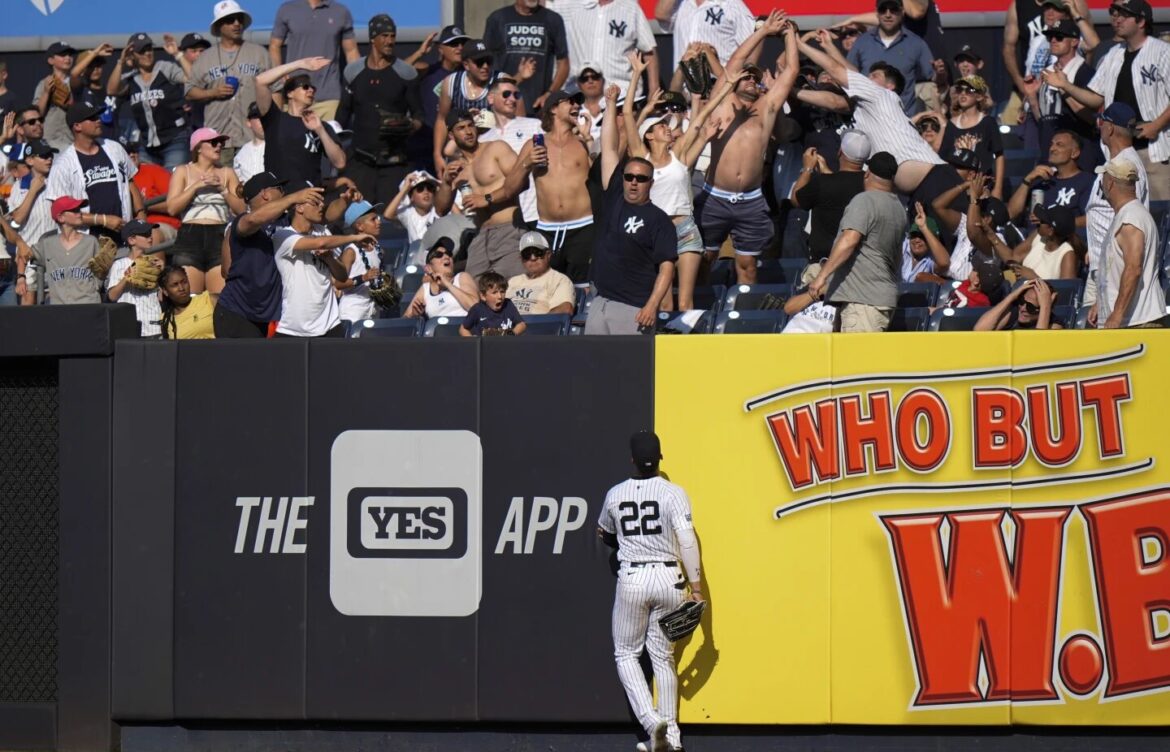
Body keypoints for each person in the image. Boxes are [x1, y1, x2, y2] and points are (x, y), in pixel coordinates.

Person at [597, 430, 705, 752]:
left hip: (634, 577)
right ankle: (671, 737)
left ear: (631, 460)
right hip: (671, 578)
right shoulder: (674, 493)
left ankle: (651, 721)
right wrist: (696, 587)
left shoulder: (616, 494)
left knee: (626, 653)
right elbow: (687, 541)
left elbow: (603, 531)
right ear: (660, 458)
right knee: (662, 655)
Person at [799, 29, 957, 211]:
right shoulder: (868, 107)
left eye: (874, 76)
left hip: (937, 182)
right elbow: (837, 96)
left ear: (890, 86)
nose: (867, 78)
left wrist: (800, 44)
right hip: (917, 194)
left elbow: (839, 72)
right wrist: (828, 46)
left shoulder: (882, 95)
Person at [695, 13, 799, 284]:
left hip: (751, 201)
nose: (752, 81)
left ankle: (741, 320)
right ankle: (701, 314)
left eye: (755, 79)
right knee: (704, 260)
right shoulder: (723, 102)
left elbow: (791, 71)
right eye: (746, 78)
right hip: (714, 197)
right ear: (734, 82)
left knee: (748, 265)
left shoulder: (766, 108)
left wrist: (788, 35)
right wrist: (763, 32)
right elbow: (735, 63)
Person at [1042, 0, 1170, 200]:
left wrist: (1156, 125)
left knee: (1161, 216)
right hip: (1118, 153)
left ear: (1141, 21)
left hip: (1153, 150)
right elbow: (1094, 98)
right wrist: (1065, 85)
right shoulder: (1113, 55)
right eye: (1114, 13)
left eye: (1123, 14)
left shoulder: (1163, 52)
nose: (1116, 18)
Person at [215, 172, 323, 337]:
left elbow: (327, 215)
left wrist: (345, 201)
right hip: (236, 311)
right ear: (265, 194)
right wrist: (294, 197)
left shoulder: (286, 221)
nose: (284, 193)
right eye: (279, 188)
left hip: (262, 316)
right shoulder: (242, 221)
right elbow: (253, 221)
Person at [807, 152, 904, 333]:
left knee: (859, 361)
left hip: (863, 301)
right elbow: (898, 257)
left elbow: (849, 240)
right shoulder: (898, 207)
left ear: (867, 174)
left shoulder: (864, 200)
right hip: (882, 297)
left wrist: (821, 276)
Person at [336, 14, 423, 205]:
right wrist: (335, 144)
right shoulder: (353, 72)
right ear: (372, 38)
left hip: (394, 164)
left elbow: (419, 114)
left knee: (391, 222)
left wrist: (409, 125)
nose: (390, 41)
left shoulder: (406, 73)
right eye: (384, 36)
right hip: (360, 162)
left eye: (392, 36)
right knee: (359, 217)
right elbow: (343, 113)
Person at [584, 157, 676, 334]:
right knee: (593, 360)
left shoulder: (659, 220)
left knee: (629, 362)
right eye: (629, 177)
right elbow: (610, 148)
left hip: (633, 309)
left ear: (651, 183)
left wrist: (651, 305)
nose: (634, 182)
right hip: (600, 302)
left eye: (641, 179)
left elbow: (667, 268)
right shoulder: (613, 201)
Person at [272, 183, 372, 337]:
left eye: (322, 201)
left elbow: (342, 276)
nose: (322, 206)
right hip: (294, 328)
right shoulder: (283, 236)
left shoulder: (322, 231)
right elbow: (320, 243)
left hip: (330, 324)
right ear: (299, 208)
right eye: (316, 202)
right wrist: (355, 237)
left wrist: (329, 258)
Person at [46, 103, 146, 245]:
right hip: (86, 242)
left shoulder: (114, 148)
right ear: (77, 126)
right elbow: (60, 212)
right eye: (91, 118)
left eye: (97, 116)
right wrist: (103, 220)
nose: (98, 120)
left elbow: (130, 183)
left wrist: (141, 214)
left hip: (123, 236)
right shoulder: (62, 165)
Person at [186, 0, 270, 166]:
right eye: (230, 20)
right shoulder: (205, 58)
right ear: (219, 26)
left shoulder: (259, 53)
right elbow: (189, 91)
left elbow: (275, 89)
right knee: (223, 187)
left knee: (256, 186)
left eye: (239, 19)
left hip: (253, 137)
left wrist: (272, 123)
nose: (237, 24)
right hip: (218, 140)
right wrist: (213, 92)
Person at [166, 128, 246, 294]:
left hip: (219, 235)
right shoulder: (183, 171)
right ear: (199, 147)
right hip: (190, 235)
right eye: (214, 142)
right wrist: (196, 186)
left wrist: (222, 189)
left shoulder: (227, 173)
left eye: (221, 143)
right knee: (191, 300)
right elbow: (172, 208)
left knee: (219, 299)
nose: (219, 146)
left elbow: (241, 209)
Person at [1084, 103, 1149, 305]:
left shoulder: (1126, 166)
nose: (1099, 126)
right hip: (1102, 263)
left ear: (1110, 128)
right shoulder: (1117, 161)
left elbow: (1129, 216)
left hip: (1114, 268)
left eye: (1102, 122)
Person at [1089, 156, 1166, 328]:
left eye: (1103, 180)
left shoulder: (1131, 218)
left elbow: (1133, 269)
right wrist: (1101, 304)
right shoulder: (1127, 215)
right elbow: (1116, 268)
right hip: (1131, 320)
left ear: (1109, 184)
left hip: (1138, 322)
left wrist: (1116, 315)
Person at [254, 56, 346, 186]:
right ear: (290, 93)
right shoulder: (275, 119)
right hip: (279, 196)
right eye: (305, 86)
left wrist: (320, 131)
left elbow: (340, 162)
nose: (311, 90)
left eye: (313, 88)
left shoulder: (320, 125)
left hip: (310, 199)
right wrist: (300, 64)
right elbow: (260, 80)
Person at [1020, 19, 1098, 172]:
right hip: (1048, 155)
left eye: (1059, 37)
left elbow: (1091, 119)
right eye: (1050, 37)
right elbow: (1044, 119)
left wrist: (1064, 89)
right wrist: (1032, 98)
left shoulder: (1084, 72)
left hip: (1078, 159)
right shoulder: (1046, 72)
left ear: (1075, 41)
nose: (1053, 41)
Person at [108, 33, 190, 168]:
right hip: (148, 145)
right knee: (147, 185)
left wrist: (178, 54)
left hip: (175, 139)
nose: (147, 53)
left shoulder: (164, 68)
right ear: (132, 55)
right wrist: (121, 62)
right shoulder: (130, 79)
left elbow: (192, 78)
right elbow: (111, 90)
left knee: (173, 182)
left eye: (149, 49)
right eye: (141, 51)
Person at [269, 0, 360, 121]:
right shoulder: (287, 9)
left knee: (330, 139)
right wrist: (281, 75)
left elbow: (351, 51)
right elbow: (274, 45)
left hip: (329, 100)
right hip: (296, 96)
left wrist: (358, 84)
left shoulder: (340, 12)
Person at [791, 131, 870, 264]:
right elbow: (844, 185)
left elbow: (796, 200)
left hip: (825, 265)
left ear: (840, 152)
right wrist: (827, 172)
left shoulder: (822, 183)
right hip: (859, 265)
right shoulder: (870, 185)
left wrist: (807, 168)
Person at [555, 0, 660, 99]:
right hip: (579, 96)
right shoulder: (569, 5)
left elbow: (649, 50)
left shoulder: (631, 8)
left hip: (622, 96)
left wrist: (654, 90)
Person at [846, 0, 935, 114]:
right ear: (876, 13)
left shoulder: (916, 43)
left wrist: (940, 73)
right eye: (883, 10)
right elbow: (848, 74)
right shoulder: (862, 42)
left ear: (902, 12)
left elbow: (933, 77)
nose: (888, 15)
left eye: (893, 10)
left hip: (903, 119)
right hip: (868, 117)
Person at [484, 0, 570, 111]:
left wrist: (549, 94)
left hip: (538, 106)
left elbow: (564, 63)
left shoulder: (553, 19)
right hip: (505, 104)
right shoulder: (497, 19)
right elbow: (486, 63)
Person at [433, 40, 501, 171]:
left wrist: (491, 120)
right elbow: (441, 119)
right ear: (466, 64)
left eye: (489, 61)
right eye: (479, 62)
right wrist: (437, 155)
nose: (485, 66)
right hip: (460, 156)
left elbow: (516, 121)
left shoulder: (501, 81)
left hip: (493, 154)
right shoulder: (451, 83)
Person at [24, 197, 103, 305]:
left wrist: (96, 287)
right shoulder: (47, 243)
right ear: (61, 218)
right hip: (60, 308)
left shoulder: (91, 241)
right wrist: (20, 278)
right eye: (74, 210)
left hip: (88, 304)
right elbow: (23, 254)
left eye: (79, 210)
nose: (79, 213)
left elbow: (102, 273)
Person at [1006, 130, 1094, 224]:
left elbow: (1091, 219)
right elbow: (1011, 213)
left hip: (1064, 237)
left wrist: (1051, 223)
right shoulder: (1041, 180)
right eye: (1051, 144)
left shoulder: (1087, 181)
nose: (1052, 148)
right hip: (1033, 236)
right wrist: (1027, 180)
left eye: (1059, 145)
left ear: (1074, 153)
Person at [937, 75, 1005, 196]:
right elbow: (943, 158)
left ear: (979, 96)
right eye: (960, 90)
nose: (963, 94)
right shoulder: (951, 124)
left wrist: (998, 188)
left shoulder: (988, 122)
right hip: (956, 185)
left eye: (969, 90)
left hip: (982, 185)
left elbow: (999, 155)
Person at [654, 0, 755, 74]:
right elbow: (661, 14)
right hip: (683, 87)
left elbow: (753, 40)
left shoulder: (732, 4)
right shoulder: (682, 4)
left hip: (717, 87)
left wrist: (748, 74)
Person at [986, 203, 1079, 280]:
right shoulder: (1038, 235)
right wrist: (989, 233)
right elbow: (1013, 257)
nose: (1038, 222)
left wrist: (1035, 278)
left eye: (1042, 221)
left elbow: (1066, 295)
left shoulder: (1067, 254)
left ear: (1050, 230)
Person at [107, 219, 165, 337]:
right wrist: (126, 278)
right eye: (145, 234)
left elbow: (162, 298)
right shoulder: (119, 264)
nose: (150, 237)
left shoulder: (154, 263)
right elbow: (112, 296)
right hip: (128, 325)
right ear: (131, 240)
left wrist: (162, 274)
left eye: (150, 233)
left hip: (153, 325)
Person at [334, 200, 388, 323]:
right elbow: (338, 284)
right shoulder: (350, 252)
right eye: (373, 219)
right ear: (360, 226)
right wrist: (363, 278)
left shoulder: (378, 249)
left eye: (378, 218)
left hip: (372, 311)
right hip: (352, 313)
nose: (379, 222)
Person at [403, 237, 480, 319]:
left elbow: (475, 308)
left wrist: (448, 285)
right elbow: (405, 318)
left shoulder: (462, 277)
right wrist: (415, 316)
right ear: (429, 268)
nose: (446, 256)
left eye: (449, 253)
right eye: (438, 255)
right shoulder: (425, 289)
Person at [506, 231, 575, 314]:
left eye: (538, 252)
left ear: (548, 254)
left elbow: (565, 309)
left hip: (537, 326)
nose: (533, 258)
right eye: (527, 254)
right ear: (521, 259)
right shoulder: (512, 281)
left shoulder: (559, 280)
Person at [6, 140, 58, 248]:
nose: (49, 159)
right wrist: (33, 191)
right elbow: (17, 219)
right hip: (30, 250)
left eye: (50, 155)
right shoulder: (19, 185)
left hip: (56, 251)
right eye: (44, 155)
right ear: (30, 160)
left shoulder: (58, 179)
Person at [34, 41, 82, 151]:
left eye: (70, 55)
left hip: (73, 141)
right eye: (62, 55)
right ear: (51, 60)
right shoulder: (43, 83)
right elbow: (37, 115)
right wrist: (46, 93)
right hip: (50, 141)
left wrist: (71, 105)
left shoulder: (77, 83)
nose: (67, 58)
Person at [975, 277, 1061, 330]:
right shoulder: (1015, 313)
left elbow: (1036, 346)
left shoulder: (1053, 325)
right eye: (1022, 301)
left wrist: (1045, 307)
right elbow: (979, 330)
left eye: (1030, 307)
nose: (1023, 308)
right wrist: (1012, 296)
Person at [460, 271, 527, 335]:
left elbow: (521, 324)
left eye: (502, 291)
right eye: (494, 292)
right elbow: (463, 329)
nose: (500, 296)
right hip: (484, 346)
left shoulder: (508, 304)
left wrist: (511, 334)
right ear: (483, 296)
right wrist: (473, 341)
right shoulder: (477, 309)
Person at [159, 266, 218, 339]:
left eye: (184, 282)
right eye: (175, 285)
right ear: (165, 291)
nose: (181, 288)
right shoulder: (165, 319)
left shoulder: (209, 300)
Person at [385, 170, 440, 244]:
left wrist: (440, 190)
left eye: (430, 189)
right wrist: (405, 189)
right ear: (411, 197)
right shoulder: (408, 213)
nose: (426, 192)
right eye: (420, 189)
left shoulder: (439, 210)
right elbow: (387, 215)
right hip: (415, 254)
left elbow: (458, 216)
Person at [901, 202, 949, 282]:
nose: (917, 240)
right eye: (914, 235)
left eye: (922, 236)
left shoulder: (931, 259)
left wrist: (923, 228)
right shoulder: (903, 246)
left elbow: (944, 263)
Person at [233, 103, 266, 183]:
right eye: (258, 117)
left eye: (266, 117)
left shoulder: (281, 146)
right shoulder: (241, 154)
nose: (264, 121)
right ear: (248, 122)